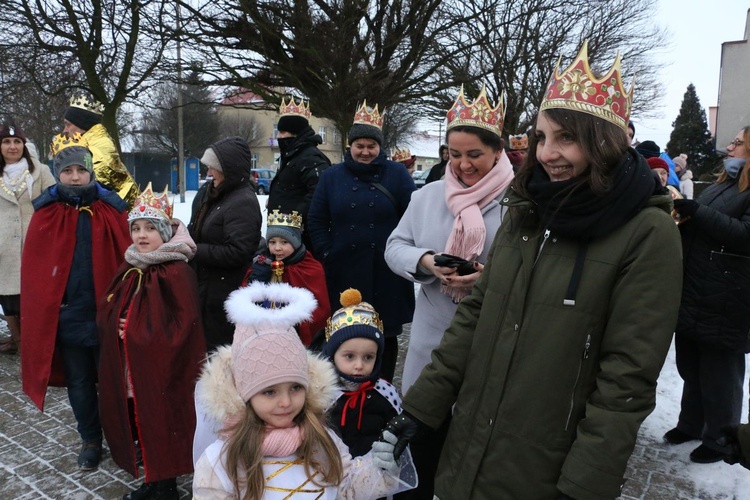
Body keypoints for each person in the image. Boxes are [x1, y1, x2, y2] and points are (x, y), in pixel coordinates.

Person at [383, 41, 683, 499]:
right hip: (474, 440)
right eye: (542, 137)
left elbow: (627, 377)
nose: (546, 153)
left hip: (549, 459)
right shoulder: (528, 213)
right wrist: (423, 410)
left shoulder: (647, 232)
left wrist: (585, 484)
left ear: (604, 141)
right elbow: (474, 317)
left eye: (567, 137)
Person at [384, 85, 513, 498]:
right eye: (454, 154)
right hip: (432, 339)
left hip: (491, 340)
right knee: (423, 443)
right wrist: (425, 262)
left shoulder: (520, 203)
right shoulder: (426, 196)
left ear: (497, 150)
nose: (463, 165)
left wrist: (486, 277)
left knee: (473, 447)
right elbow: (394, 247)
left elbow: (533, 269)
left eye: (474, 154)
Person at [192, 282, 416, 498]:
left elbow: (347, 488)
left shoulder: (321, 440)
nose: (286, 402)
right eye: (270, 391)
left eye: (296, 388)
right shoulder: (221, 461)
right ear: (244, 393)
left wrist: (379, 467)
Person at [21, 138, 131, 471]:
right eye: (66, 170)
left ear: (90, 172)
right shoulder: (47, 214)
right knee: (80, 382)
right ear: (58, 174)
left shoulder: (111, 211)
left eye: (80, 170)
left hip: (104, 316)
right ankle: (90, 439)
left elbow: (127, 261)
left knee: (113, 380)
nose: (73, 177)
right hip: (68, 315)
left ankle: (121, 436)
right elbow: (38, 272)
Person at [96, 183, 206, 499]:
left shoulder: (175, 271)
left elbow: (181, 327)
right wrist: (113, 322)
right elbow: (109, 306)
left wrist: (131, 331)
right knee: (142, 419)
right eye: (136, 228)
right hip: (133, 367)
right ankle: (153, 478)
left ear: (165, 232)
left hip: (162, 370)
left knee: (162, 421)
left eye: (150, 228)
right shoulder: (132, 265)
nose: (142, 235)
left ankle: (165, 484)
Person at [307, 102, 416, 382]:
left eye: (371, 145)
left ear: (380, 146)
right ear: (350, 145)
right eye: (360, 145)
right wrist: (327, 252)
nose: (365, 151)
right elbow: (317, 220)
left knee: (385, 335)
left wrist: (405, 254)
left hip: (387, 273)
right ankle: (345, 392)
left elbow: (414, 218)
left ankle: (383, 391)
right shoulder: (331, 177)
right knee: (345, 333)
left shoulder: (398, 175)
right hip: (344, 271)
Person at [665, 126, 750, 464]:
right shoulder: (724, 182)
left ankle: (721, 438)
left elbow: (745, 235)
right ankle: (691, 423)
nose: (729, 146)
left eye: (739, 142)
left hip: (730, 294)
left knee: (720, 372)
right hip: (698, 285)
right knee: (692, 364)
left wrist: (698, 213)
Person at [188, 136, 262, 350]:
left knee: (219, 354)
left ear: (230, 169)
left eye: (213, 167)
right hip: (207, 290)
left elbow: (238, 252)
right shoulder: (217, 194)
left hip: (223, 297)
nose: (209, 173)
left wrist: (194, 250)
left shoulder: (242, 202)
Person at [323, 288, 402, 458]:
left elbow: (399, 431)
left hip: (374, 474)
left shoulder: (386, 394)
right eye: (349, 356)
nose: (359, 365)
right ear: (333, 355)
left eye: (368, 357)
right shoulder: (323, 394)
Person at [0, 123, 55, 355]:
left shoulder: (40, 171)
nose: (12, 146)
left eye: (17, 142)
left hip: (35, 244)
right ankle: (20, 342)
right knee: (8, 298)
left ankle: (36, 344)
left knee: (33, 297)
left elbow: (53, 204)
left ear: (24, 145)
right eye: (6, 142)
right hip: (4, 247)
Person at [243, 210, 330, 346]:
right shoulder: (262, 264)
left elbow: (321, 310)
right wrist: (257, 279)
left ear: (295, 243)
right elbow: (244, 300)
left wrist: (297, 324)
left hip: (296, 339)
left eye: (284, 242)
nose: (277, 248)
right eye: (272, 242)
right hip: (263, 336)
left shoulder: (310, 268)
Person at [267, 96, 331, 251]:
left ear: (295, 133)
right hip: (286, 239)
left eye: (282, 132)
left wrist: (292, 218)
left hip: (300, 240)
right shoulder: (292, 155)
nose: (279, 136)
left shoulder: (310, 158)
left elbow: (318, 194)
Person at [62, 93, 139, 208]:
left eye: (68, 125)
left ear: (81, 124)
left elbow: (92, 189)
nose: (65, 130)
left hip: (117, 216)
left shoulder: (98, 147)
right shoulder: (93, 142)